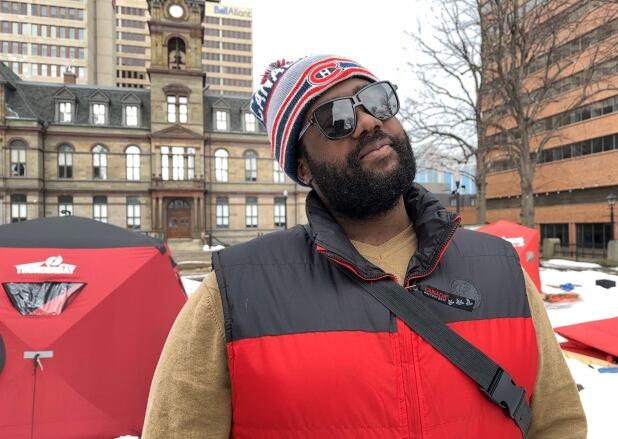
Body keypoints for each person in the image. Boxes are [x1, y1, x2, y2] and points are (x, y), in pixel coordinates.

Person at [142, 55, 586, 438]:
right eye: (337, 119)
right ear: (303, 167)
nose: (369, 121)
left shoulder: (501, 269)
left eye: (376, 101)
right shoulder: (232, 295)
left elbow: (558, 423)